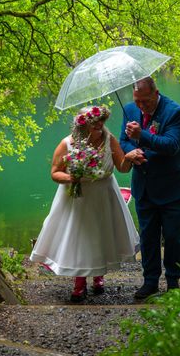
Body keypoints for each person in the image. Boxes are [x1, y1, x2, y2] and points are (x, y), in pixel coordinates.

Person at [30, 105, 139, 302]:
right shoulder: (67, 144)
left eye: (100, 122)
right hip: (76, 199)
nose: (99, 125)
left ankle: (99, 277)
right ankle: (79, 284)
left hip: (105, 194)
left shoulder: (109, 139)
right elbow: (55, 173)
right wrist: (73, 177)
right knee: (79, 237)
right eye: (93, 123)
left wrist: (129, 157)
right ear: (82, 125)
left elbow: (122, 168)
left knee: (101, 234)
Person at [120, 76, 180, 299]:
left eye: (145, 101)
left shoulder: (175, 112)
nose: (141, 106)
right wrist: (130, 151)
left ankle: (173, 282)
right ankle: (150, 281)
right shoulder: (129, 110)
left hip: (173, 187)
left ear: (156, 93)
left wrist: (140, 136)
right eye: (137, 101)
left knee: (174, 237)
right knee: (148, 237)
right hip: (144, 186)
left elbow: (171, 145)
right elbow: (122, 141)